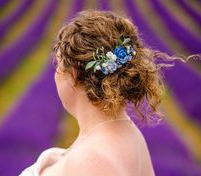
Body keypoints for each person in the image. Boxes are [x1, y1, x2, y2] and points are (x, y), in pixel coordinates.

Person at [20, 9, 191, 176]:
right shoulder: (129, 134)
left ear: (73, 75)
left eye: (58, 64)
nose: (56, 74)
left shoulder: (90, 161)